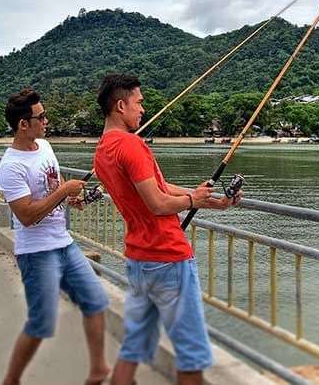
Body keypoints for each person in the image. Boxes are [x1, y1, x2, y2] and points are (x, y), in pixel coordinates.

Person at [93, 73, 241, 385]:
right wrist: (191, 199)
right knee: (191, 354)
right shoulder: (131, 145)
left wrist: (209, 201)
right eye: (139, 103)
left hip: (139, 258)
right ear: (121, 105)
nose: (142, 109)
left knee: (133, 347)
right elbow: (158, 204)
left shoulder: (103, 149)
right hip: (168, 258)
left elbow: (158, 188)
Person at [0, 89, 110, 385]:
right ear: (23, 124)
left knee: (96, 301)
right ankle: (11, 380)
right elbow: (27, 216)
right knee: (41, 323)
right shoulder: (10, 166)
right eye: (41, 116)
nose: (46, 121)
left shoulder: (45, 146)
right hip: (37, 252)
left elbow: (54, 186)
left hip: (64, 243)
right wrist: (62, 192)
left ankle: (99, 371)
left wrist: (73, 198)